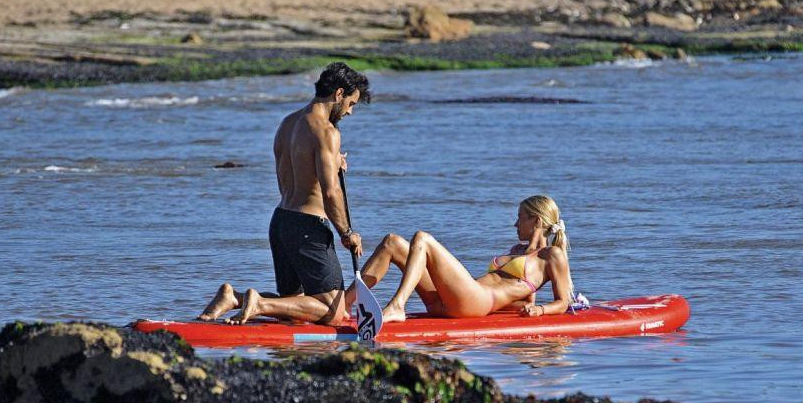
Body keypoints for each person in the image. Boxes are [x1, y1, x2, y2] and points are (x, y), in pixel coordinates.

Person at [197, 62, 370, 325]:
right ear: (338, 93)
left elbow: (295, 174)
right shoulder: (326, 132)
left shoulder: (288, 123)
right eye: (351, 103)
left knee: (294, 303)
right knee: (334, 312)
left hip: (281, 221)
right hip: (308, 226)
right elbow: (330, 191)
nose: (349, 112)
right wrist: (346, 233)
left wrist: (333, 163)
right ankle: (259, 303)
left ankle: (236, 298)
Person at [374, 195, 586, 323]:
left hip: (473, 303)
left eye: (520, 217)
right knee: (392, 243)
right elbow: (523, 299)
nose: (515, 224)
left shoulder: (552, 255)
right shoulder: (516, 249)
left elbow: (564, 301)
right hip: (449, 301)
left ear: (536, 221)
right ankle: (343, 305)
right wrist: (521, 304)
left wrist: (540, 311)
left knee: (423, 239)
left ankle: (397, 305)